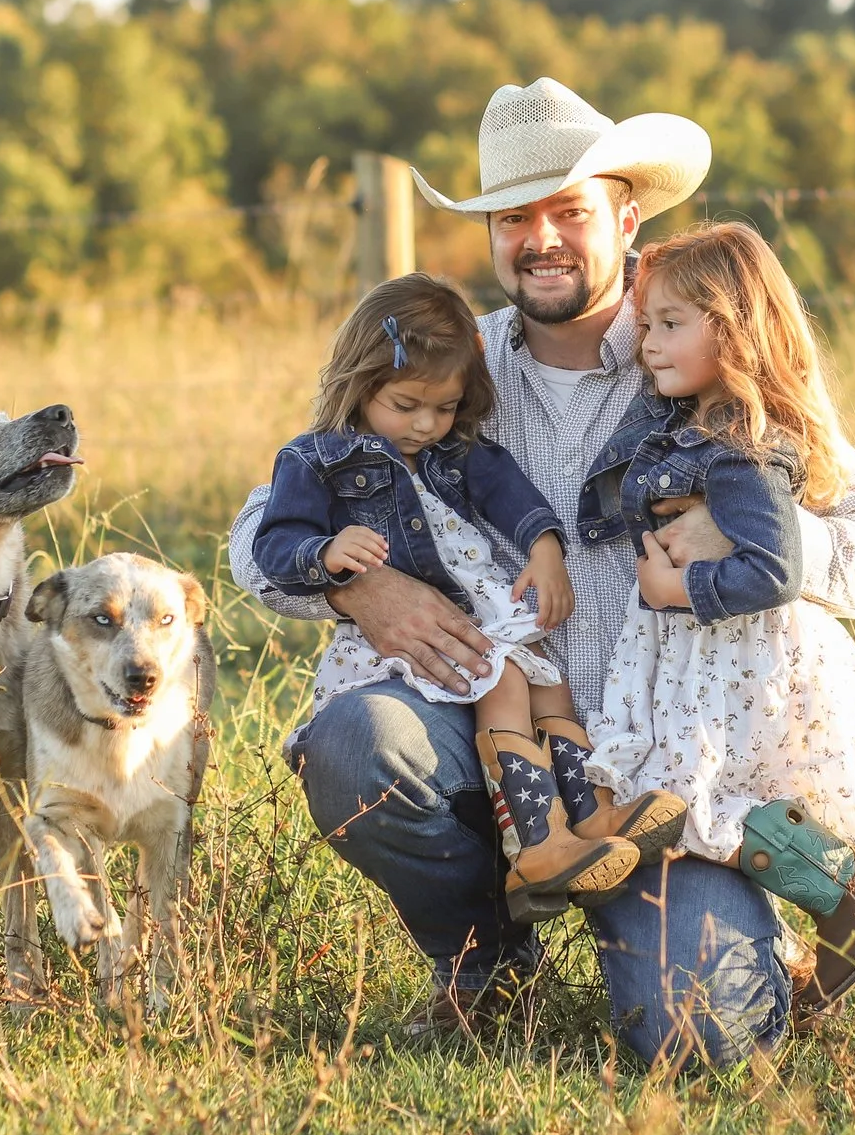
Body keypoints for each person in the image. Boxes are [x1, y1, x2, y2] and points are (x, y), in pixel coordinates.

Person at [227, 77, 855, 1066]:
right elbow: (262, 521)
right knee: (358, 742)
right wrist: (354, 585)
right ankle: (486, 964)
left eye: (570, 211)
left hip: (667, 769)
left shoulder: (705, 351)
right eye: (516, 216)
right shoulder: (446, 367)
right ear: (493, 233)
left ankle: (742, 935)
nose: (541, 237)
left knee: (702, 1037)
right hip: (501, 733)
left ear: (627, 216)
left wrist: (762, 539)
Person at [580, 221, 855, 1022]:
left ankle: (848, 887)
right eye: (649, 326)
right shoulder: (700, 420)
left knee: (697, 799)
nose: (650, 346)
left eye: (671, 326)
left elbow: (773, 570)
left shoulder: (738, 444)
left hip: (728, 651)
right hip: (709, 650)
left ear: (732, 332)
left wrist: (681, 588)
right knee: (707, 798)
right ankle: (851, 888)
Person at [254, 273, 684, 917]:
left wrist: (544, 548)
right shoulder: (317, 461)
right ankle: (536, 843)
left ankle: (589, 814)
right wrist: (326, 557)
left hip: (478, 611)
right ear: (358, 384)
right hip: (422, 641)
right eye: (407, 405)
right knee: (507, 680)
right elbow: (273, 540)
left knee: (550, 685)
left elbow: (507, 490)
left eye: (446, 407)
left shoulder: (451, 450)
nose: (427, 424)